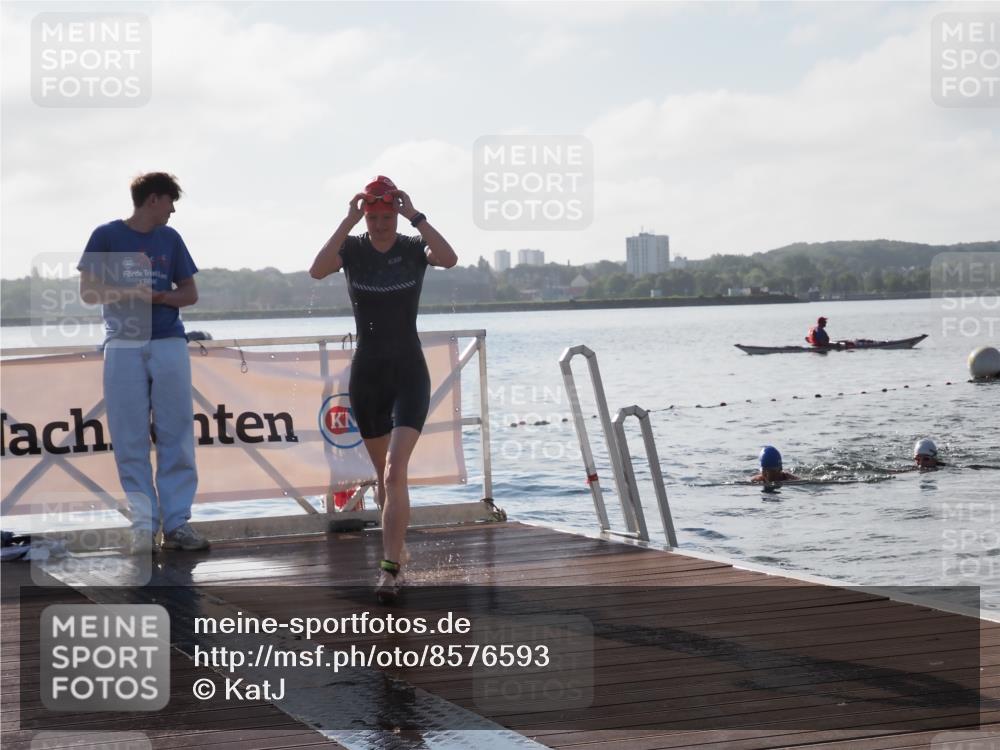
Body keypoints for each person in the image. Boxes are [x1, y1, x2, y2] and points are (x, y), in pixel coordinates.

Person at [310, 175, 458, 603]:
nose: (379, 224)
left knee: (395, 471)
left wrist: (417, 217)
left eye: (386, 216)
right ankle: (398, 548)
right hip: (368, 375)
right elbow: (318, 270)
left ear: (397, 213)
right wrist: (347, 220)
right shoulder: (353, 249)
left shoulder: (412, 248)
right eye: (372, 217)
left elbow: (448, 258)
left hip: (409, 371)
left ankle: (389, 571)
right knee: (382, 477)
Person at [78, 172, 209, 554]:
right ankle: (143, 527)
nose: (172, 210)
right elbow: (88, 291)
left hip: (168, 342)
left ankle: (178, 523)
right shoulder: (105, 235)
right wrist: (128, 292)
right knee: (129, 437)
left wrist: (161, 298)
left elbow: (190, 294)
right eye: (171, 202)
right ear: (154, 199)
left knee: (177, 434)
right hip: (122, 344)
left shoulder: (171, 239)